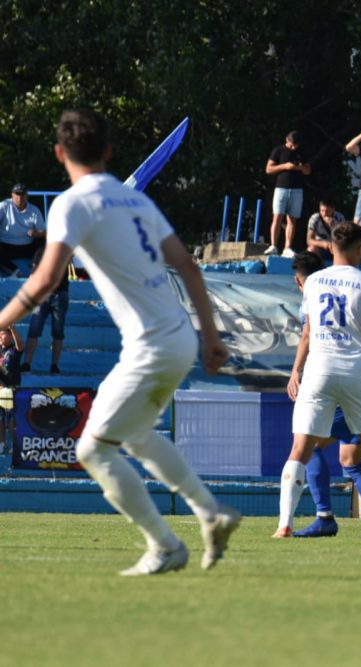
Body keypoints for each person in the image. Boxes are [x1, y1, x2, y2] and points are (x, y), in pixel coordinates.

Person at [0, 108, 240, 575]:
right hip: (177, 337)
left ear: (59, 153)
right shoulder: (137, 202)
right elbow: (188, 267)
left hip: (151, 345)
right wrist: (210, 336)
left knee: (92, 450)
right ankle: (210, 511)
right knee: (136, 435)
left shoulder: (71, 203)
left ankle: (166, 545)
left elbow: (45, 280)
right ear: (108, 152)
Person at [276, 223, 361, 539]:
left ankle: (285, 525)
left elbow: (308, 332)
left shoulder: (313, 282)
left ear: (331, 247)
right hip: (356, 373)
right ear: (359, 248)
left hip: (318, 371)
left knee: (300, 449)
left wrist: (296, 371)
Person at [21, 246, 69, 374]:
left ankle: (54, 365)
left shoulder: (65, 249)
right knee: (34, 329)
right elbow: (33, 272)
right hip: (43, 294)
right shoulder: (41, 251)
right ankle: (27, 363)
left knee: (58, 331)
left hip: (59, 292)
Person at [265, 130, 311, 257]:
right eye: (291, 144)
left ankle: (287, 247)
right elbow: (269, 169)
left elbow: (308, 171)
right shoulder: (278, 150)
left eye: (295, 145)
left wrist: (300, 167)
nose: (293, 147)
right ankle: (273, 245)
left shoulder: (302, 152)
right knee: (277, 217)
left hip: (297, 189)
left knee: (292, 219)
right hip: (281, 188)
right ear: (287, 140)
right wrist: (285, 166)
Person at [0, 183, 46, 276]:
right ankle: (15, 271)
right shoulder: (4, 206)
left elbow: (45, 232)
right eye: (17, 194)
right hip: (6, 246)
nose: (19, 197)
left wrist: (37, 233)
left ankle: (37, 270)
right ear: (12, 195)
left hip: (27, 247)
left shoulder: (34, 210)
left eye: (22, 194)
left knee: (45, 243)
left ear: (27, 196)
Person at [0, 327, 22, 451]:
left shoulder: (14, 350)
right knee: (0, 418)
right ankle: (1, 444)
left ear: (10, 336)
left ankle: (14, 444)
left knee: (11, 418)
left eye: (3, 334)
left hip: (13, 388)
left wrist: (11, 327)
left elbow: (20, 345)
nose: (0, 336)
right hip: (0, 388)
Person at [305, 198, 346, 263]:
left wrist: (333, 227)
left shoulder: (339, 218)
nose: (324, 214)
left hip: (336, 248)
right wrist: (324, 244)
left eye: (327, 211)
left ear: (333, 210)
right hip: (320, 248)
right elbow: (309, 240)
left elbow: (344, 239)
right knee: (311, 249)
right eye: (322, 211)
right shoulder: (315, 218)